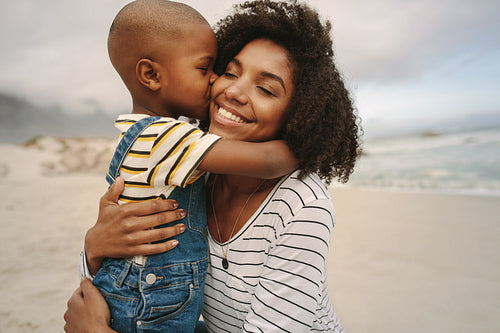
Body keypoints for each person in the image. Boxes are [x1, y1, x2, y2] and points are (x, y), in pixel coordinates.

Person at [65, 0, 361, 332]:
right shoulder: (191, 171)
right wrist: (94, 248)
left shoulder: (302, 204)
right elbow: (121, 279)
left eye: (265, 89)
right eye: (229, 71)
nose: (232, 90)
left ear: (300, 114)